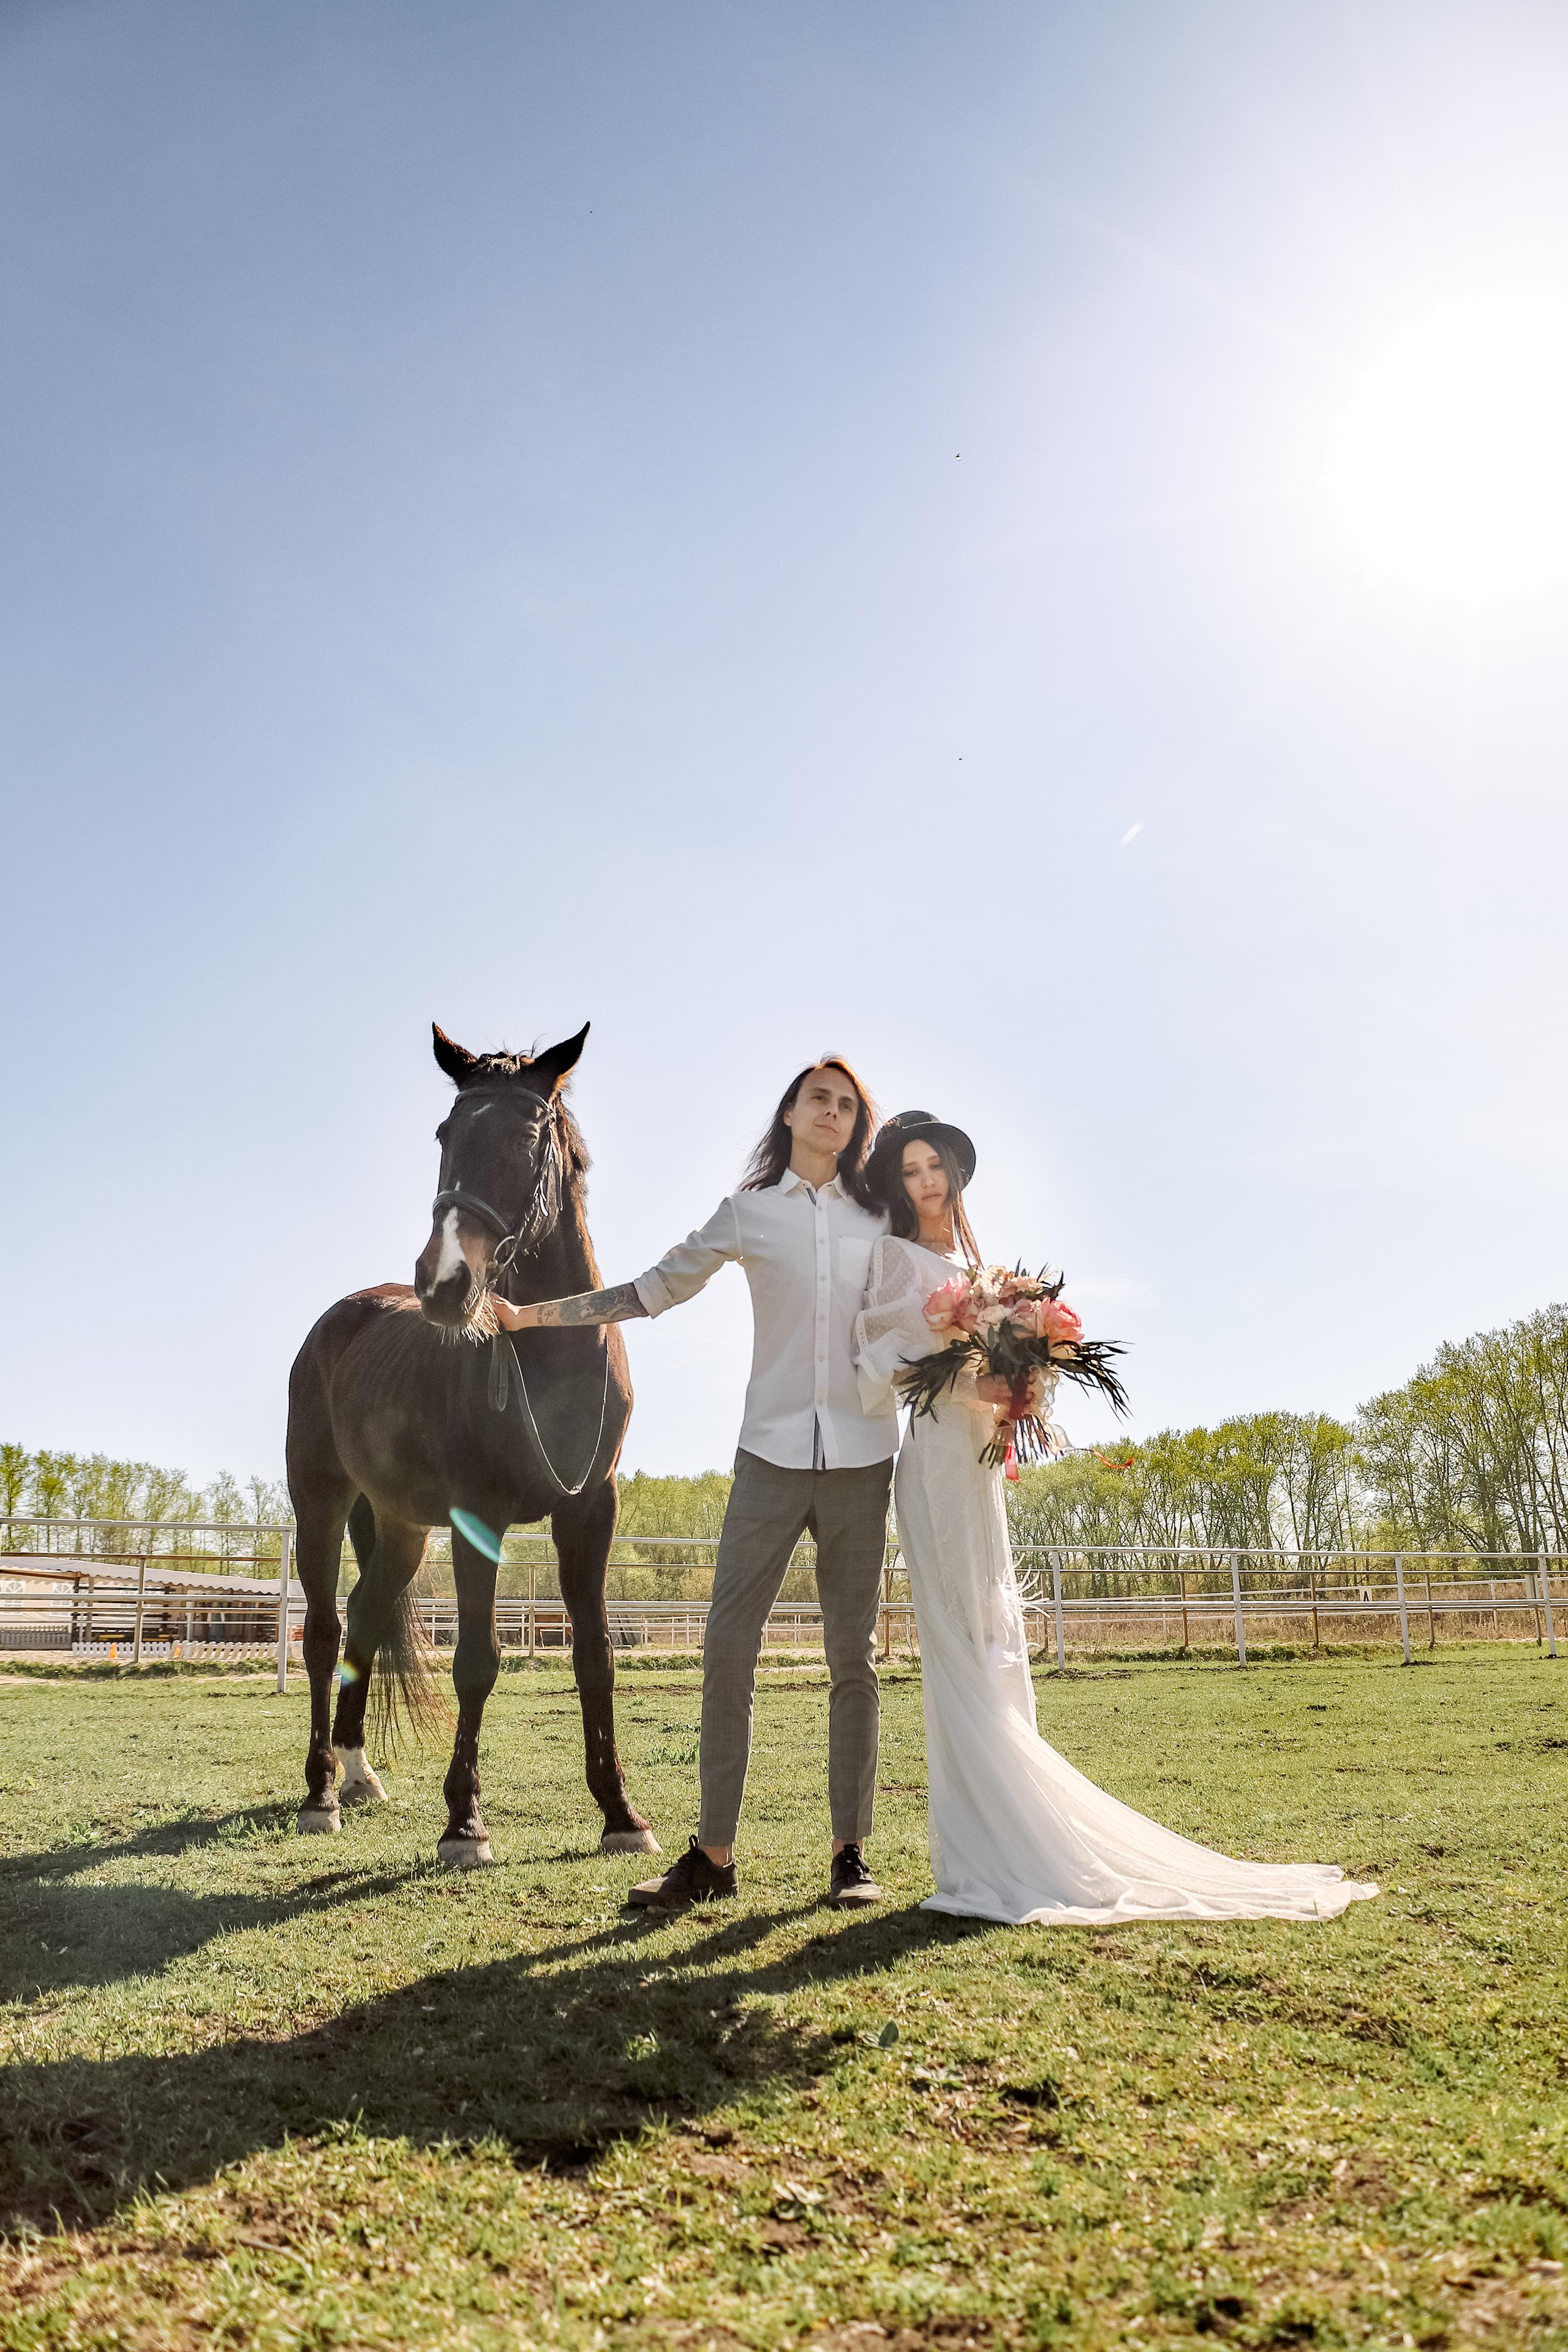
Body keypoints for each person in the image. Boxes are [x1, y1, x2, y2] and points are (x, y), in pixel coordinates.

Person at [852, 1110, 1381, 1926]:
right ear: (897, 1180)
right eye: (911, 1169)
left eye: (936, 1167)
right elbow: (881, 1359)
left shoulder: (983, 1273)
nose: (926, 1181)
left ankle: (1015, 1835)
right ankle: (984, 1848)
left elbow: (1002, 1364)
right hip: (933, 1461)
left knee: (993, 1634)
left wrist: (1025, 1385)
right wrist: (971, 1383)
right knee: (956, 1634)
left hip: (981, 1463)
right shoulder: (896, 1259)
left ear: (956, 1175)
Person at [490, 1058, 894, 1911]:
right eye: (818, 1099)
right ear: (790, 1113)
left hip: (864, 1460)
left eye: (847, 1104)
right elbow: (654, 1290)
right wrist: (533, 1316)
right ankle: (712, 1857)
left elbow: (935, 1295)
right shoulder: (747, 1214)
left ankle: (850, 1856)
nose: (832, 1111)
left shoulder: (880, 1217)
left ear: (859, 1125)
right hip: (768, 1458)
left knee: (852, 1660)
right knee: (727, 1650)